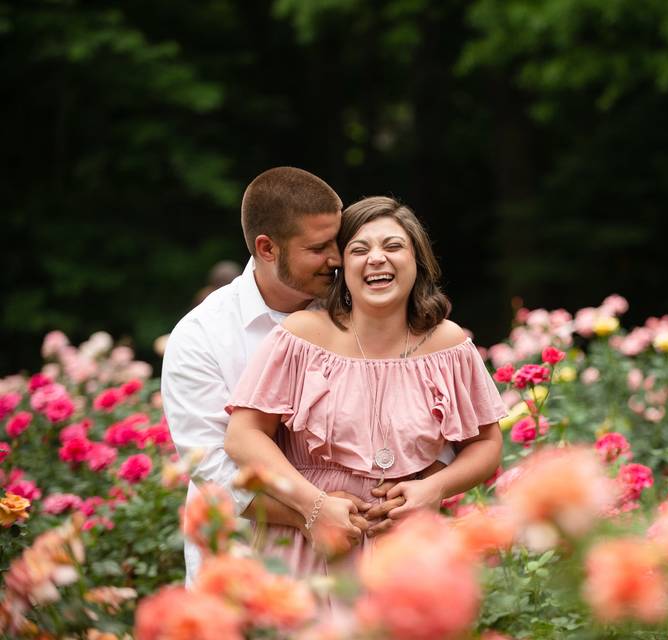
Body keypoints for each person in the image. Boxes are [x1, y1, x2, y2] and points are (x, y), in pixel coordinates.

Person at [162, 168, 435, 584]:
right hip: (243, 565)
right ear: (267, 249)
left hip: (367, 563)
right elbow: (214, 468)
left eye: (337, 242)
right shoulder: (202, 336)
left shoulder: (358, 309)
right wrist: (312, 509)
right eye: (318, 247)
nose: (336, 258)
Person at [223, 196, 506, 575]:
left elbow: (487, 444)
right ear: (342, 267)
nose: (376, 258)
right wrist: (313, 505)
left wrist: (433, 489)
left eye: (393, 246)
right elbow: (243, 436)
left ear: (417, 262)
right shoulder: (301, 336)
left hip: (407, 555)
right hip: (311, 552)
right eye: (359, 250)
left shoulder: (449, 346)